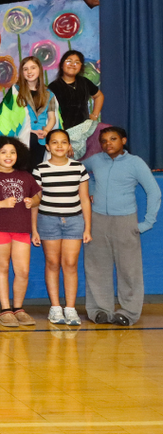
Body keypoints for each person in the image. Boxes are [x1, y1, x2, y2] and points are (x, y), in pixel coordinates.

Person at [83, 127, 160, 326]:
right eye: (104, 140)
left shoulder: (135, 163)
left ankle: (129, 312)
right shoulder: (96, 160)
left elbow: (154, 192)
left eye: (113, 139)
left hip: (126, 221)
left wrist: (147, 223)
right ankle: (100, 310)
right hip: (98, 220)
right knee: (97, 267)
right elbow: (79, 172)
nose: (108, 143)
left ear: (123, 140)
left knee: (129, 269)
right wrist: (90, 187)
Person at [0, 136, 41, 327]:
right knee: (2, 267)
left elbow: (38, 198)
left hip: (21, 229)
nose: (8, 156)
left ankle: (18, 308)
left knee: (23, 270)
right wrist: (2, 204)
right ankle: (5, 309)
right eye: (3, 152)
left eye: (12, 152)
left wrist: (33, 201)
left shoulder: (26, 176)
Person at [33, 129, 90, 326]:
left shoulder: (79, 168)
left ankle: (71, 308)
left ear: (69, 146)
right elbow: (35, 202)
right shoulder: (40, 169)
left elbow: (84, 199)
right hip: (48, 221)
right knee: (52, 263)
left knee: (70, 264)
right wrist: (34, 229)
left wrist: (87, 228)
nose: (59, 146)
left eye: (63, 142)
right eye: (54, 142)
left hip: (74, 221)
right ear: (47, 146)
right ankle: (55, 308)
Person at [16, 57, 58, 170]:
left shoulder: (49, 94)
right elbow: (12, 117)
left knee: (36, 172)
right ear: (22, 72)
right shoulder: (15, 91)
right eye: (25, 69)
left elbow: (52, 118)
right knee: (22, 171)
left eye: (33, 68)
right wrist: (30, 131)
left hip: (41, 139)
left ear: (39, 69)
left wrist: (46, 131)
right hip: (22, 137)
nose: (29, 72)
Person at [49, 50, 104, 131]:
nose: (72, 65)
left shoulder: (84, 82)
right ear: (62, 64)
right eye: (69, 61)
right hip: (63, 130)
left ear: (81, 66)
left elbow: (99, 96)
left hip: (85, 128)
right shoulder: (53, 87)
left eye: (77, 62)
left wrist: (95, 115)